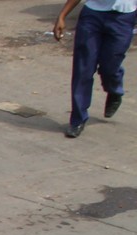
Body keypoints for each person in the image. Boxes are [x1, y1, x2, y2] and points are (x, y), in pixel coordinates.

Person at [53, 0, 135, 137]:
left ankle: (114, 90)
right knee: (83, 68)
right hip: (92, 16)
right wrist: (62, 16)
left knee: (110, 66)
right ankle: (77, 119)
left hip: (123, 18)